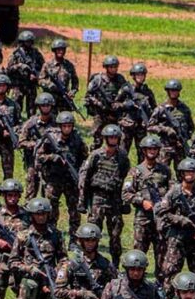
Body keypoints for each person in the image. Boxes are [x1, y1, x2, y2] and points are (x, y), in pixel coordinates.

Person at [156, 158, 195, 294]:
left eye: (193, 172)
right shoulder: (174, 192)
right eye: (187, 172)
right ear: (181, 173)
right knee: (171, 271)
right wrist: (180, 220)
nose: (190, 175)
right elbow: (161, 212)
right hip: (177, 238)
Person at [79, 124, 131, 268]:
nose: (113, 140)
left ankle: (115, 265)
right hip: (98, 198)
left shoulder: (122, 157)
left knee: (115, 236)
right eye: (110, 137)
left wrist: (125, 202)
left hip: (114, 199)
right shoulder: (96, 155)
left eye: (115, 137)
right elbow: (85, 177)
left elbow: (126, 178)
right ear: (105, 138)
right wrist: (82, 201)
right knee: (92, 233)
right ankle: (90, 263)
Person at [122, 134, 173, 274]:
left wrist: (165, 203)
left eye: (154, 149)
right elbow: (126, 194)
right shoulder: (135, 171)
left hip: (161, 220)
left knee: (162, 257)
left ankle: (160, 289)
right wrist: (142, 201)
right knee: (137, 257)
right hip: (142, 220)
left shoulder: (165, 171)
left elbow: (173, 192)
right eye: (149, 149)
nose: (152, 151)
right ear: (144, 151)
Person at [35, 111, 87, 234]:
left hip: (70, 179)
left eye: (69, 126)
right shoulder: (50, 137)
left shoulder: (77, 138)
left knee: (74, 210)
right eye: (64, 126)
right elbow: (39, 156)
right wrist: (54, 157)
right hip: (53, 179)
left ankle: (74, 238)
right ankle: (51, 233)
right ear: (60, 126)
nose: (67, 129)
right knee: (51, 208)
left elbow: (85, 158)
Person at [83, 55, 129, 148]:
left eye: (115, 67)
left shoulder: (120, 79)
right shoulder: (98, 79)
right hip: (101, 114)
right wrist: (99, 103)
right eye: (111, 67)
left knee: (116, 140)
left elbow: (126, 96)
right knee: (97, 142)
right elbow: (88, 96)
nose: (113, 69)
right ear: (106, 67)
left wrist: (119, 105)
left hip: (115, 114)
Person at [148, 79, 194, 167]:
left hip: (180, 147)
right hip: (165, 147)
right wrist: (165, 129)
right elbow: (150, 126)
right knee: (162, 172)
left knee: (182, 173)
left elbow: (191, 127)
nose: (174, 93)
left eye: (176, 91)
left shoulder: (184, 109)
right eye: (172, 90)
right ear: (168, 91)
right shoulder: (161, 109)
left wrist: (185, 138)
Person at [119, 63, 158, 161]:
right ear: (133, 76)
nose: (140, 77)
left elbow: (155, 110)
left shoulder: (147, 92)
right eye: (138, 75)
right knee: (122, 152)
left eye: (142, 75)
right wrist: (126, 104)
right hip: (127, 125)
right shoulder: (127, 89)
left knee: (142, 153)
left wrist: (148, 111)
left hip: (141, 127)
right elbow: (114, 104)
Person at [5, 30, 45, 117]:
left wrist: (36, 75)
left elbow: (43, 68)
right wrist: (19, 66)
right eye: (27, 42)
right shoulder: (16, 54)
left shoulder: (36, 54)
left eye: (30, 41)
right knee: (16, 107)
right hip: (18, 85)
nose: (29, 43)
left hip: (31, 85)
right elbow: (8, 70)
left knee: (32, 110)